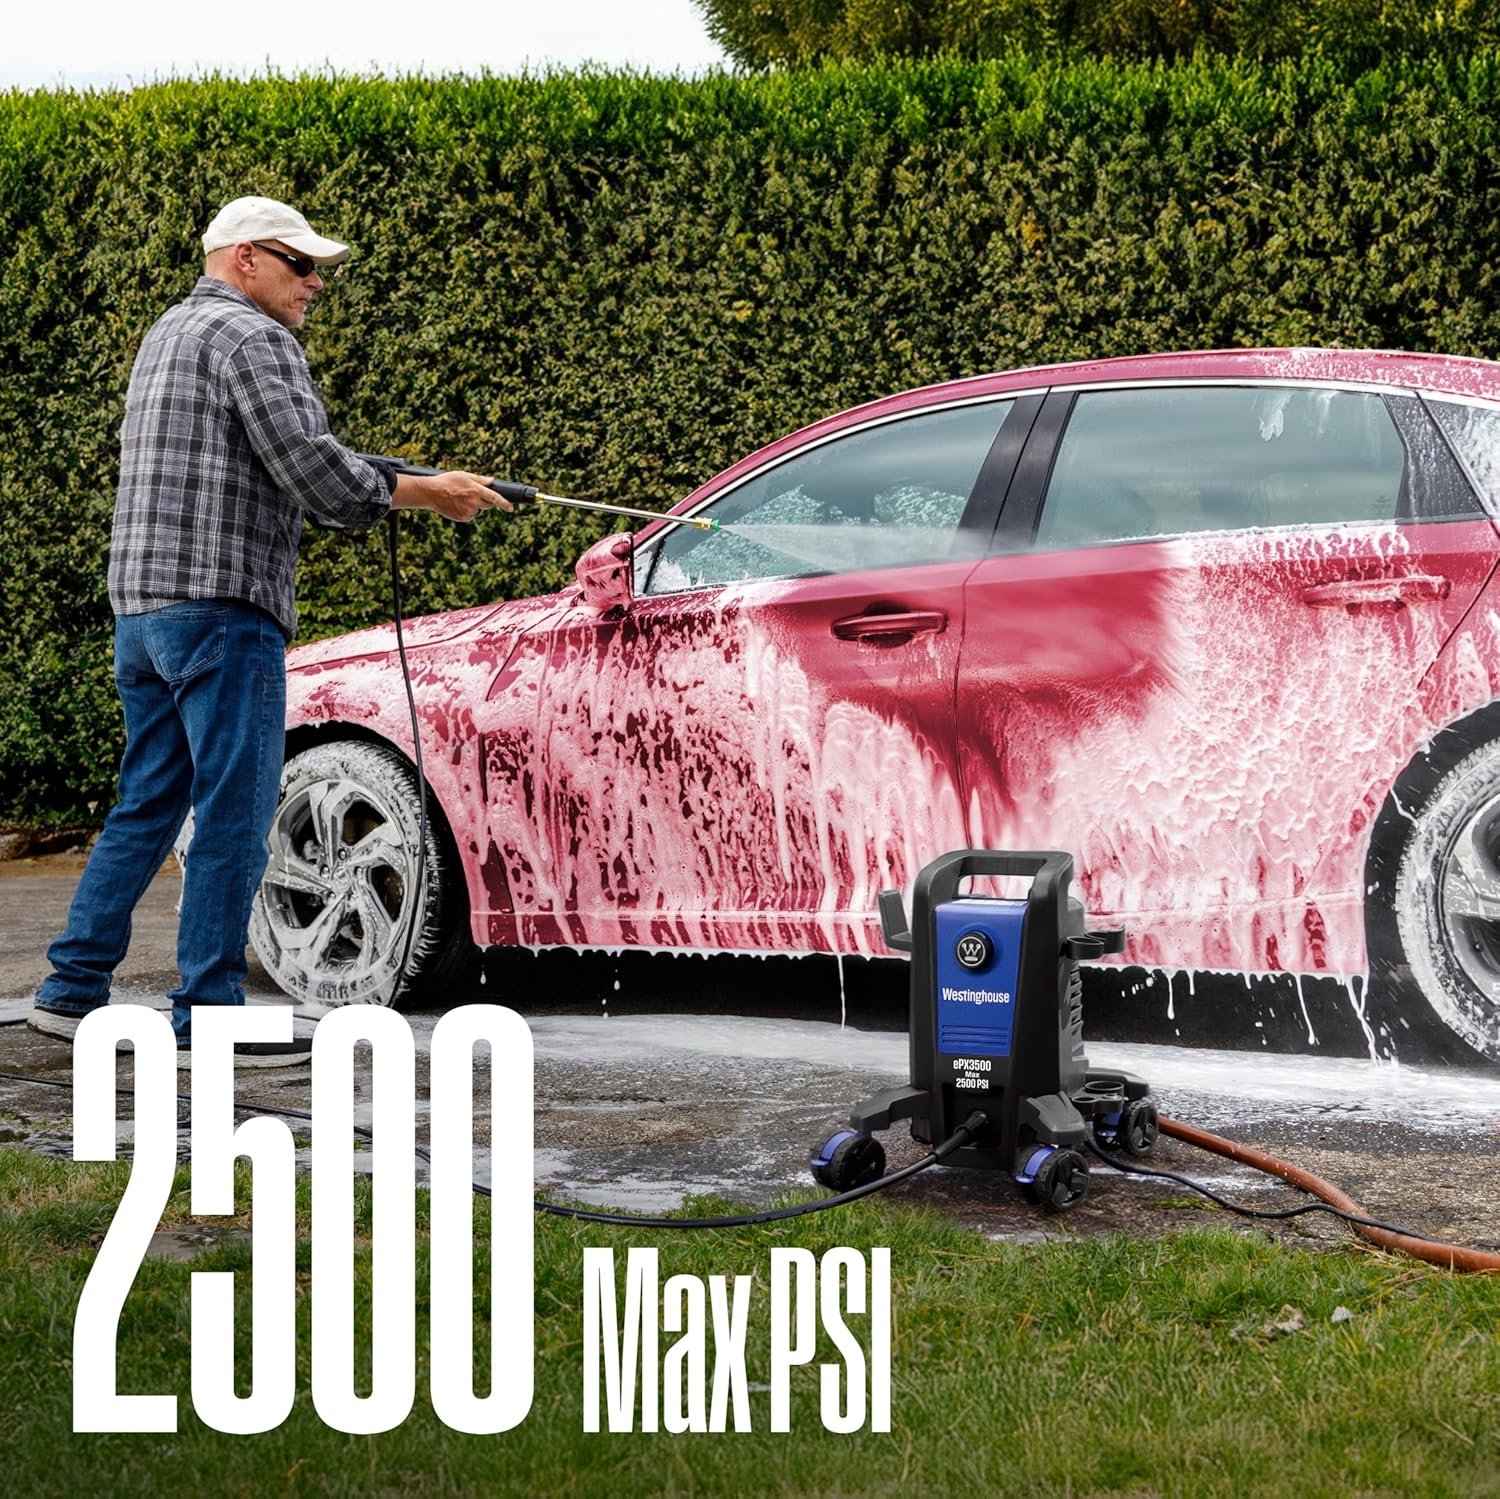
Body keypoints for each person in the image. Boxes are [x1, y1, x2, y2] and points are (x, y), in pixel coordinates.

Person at [27, 195, 507, 1066]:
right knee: (235, 816)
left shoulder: (168, 334)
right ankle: (208, 1019)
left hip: (143, 616)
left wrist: (420, 476)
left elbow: (273, 454)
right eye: (300, 262)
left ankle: (69, 989)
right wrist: (426, 495)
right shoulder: (254, 339)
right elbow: (315, 472)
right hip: (221, 611)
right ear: (244, 257)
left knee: (147, 804)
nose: (315, 281)